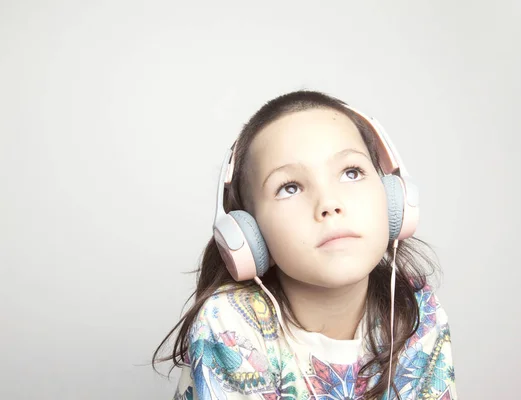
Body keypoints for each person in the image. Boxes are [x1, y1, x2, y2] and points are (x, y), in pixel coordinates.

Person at [153, 90, 457, 399]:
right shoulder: (229, 326)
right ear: (249, 232)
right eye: (290, 187)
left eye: (351, 173)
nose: (329, 204)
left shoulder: (416, 308)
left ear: (394, 197)